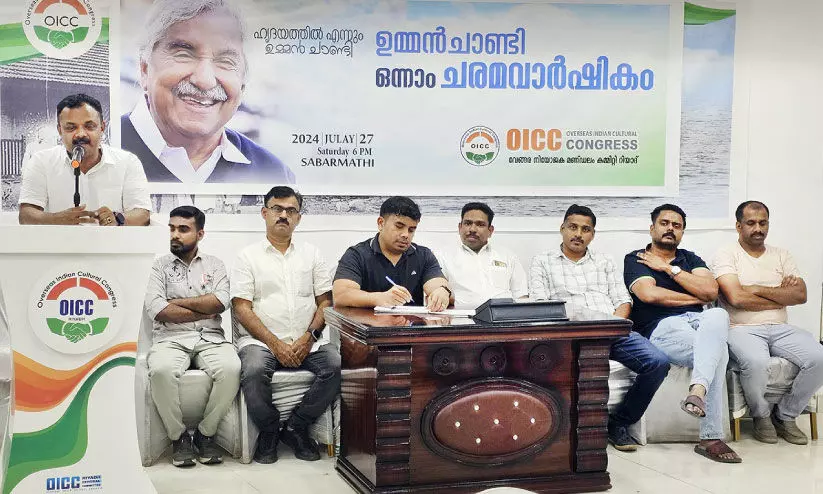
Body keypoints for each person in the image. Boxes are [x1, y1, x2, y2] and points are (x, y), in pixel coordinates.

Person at [530, 204, 669, 452]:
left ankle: (619, 422)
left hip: (610, 332)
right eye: (573, 227)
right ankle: (557, 430)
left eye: (585, 229)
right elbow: (541, 305)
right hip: (568, 336)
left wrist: (611, 327)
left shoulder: (604, 261)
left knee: (658, 363)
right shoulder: (542, 261)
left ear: (593, 234)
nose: (578, 234)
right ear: (562, 229)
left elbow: (623, 301)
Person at [122, 0, 295, 184]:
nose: (204, 81)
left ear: (242, 84)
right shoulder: (106, 148)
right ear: (144, 69)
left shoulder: (274, 174)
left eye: (226, 61)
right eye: (184, 55)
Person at [623, 204, 740, 463]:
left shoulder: (690, 259)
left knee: (718, 315)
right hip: (662, 326)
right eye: (664, 223)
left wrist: (669, 269)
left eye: (676, 225)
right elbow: (649, 294)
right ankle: (710, 437)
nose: (670, 229)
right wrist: (694, 295)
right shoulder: (637, 258)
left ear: (682, 232)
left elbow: (710, 292)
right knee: (718, 351)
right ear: (652, 228)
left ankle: (697, 391)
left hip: (700, 321)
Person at [231, 186, 339, 463]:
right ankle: (269, 430)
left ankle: (296, 427)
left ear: (298, 218)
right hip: (261, 343)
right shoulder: (247, 256)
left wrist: (309, 338)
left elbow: (325, 302)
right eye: (277, 209)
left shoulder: (312, 254)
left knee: (338, 365)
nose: (284, 215)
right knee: (254, 369)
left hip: (308, 341)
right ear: (264, 213)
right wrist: (275, 344)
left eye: (291, 211)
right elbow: (241, 307)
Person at [711, 201, 823, 445]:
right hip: (741, 329)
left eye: (763, 223)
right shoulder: (726, 254)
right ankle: (761, 416)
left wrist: (756, 288)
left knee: (819, 357)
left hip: (781, 328)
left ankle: (786, 416)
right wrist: (780, 296)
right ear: (739, 226)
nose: (758, 228)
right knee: (757, 362)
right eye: (751, 223)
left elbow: (800, 295)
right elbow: (736, 298)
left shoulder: (782, 255)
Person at [144, 206, 240, 467]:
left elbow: (220, 302)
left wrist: (177, 303)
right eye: (172, 228)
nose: (175, 234)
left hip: (211, 338)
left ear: (200, 234)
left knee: (232, 368)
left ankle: (205, 434)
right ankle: (179, 438)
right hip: (170, 339)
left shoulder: (215, 265)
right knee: (161, 371)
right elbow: (158, 309)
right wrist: (202, 308)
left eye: (183, 229)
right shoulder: (158, 267)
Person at [18, 93, 150, 226]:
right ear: (60, 130)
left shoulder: (128, 162)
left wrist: (118, 219)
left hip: (109, 240)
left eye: (89, 126)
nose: (81, 134)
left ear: (102, 128)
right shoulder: (41, 161)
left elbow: (142, 214)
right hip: (58, 240)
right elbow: (26, 215)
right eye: (71, 127)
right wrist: (56, 219)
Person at [333, 196, 452, 310]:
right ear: (381, 223)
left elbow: (440, 285)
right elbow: (341, 295)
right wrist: (379, 298)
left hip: (411, 323)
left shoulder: (423, 255)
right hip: (368, 322)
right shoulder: (357, 254)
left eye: (411, 230)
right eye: (399, 226)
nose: (406, 235)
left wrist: (442, 292)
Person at [437, 202, 527, 308]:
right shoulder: (443, 256)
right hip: (461, 315)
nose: (472, 229)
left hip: (502, 315)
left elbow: (521, 296)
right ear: (460, 227)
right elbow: (437, 294)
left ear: (490, 231)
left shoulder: (508, 256)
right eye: (467, 223)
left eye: (480, 224)